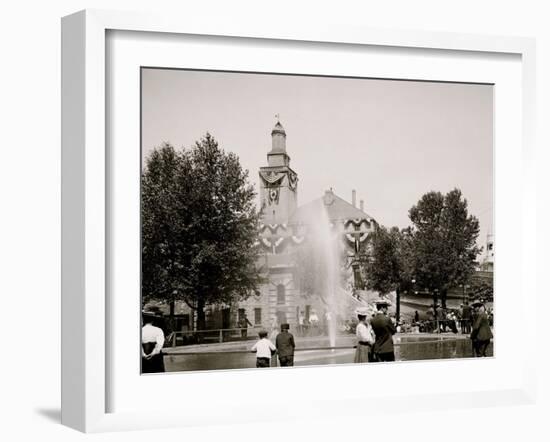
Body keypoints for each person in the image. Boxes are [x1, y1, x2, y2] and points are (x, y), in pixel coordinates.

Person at [141, 309, 166, 373]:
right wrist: (153, 353)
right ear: (152, 320)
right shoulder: (158, 330)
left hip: (143, 358)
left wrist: (143, 354)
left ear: (143, 320)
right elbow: (159, 344)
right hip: (156, 358)